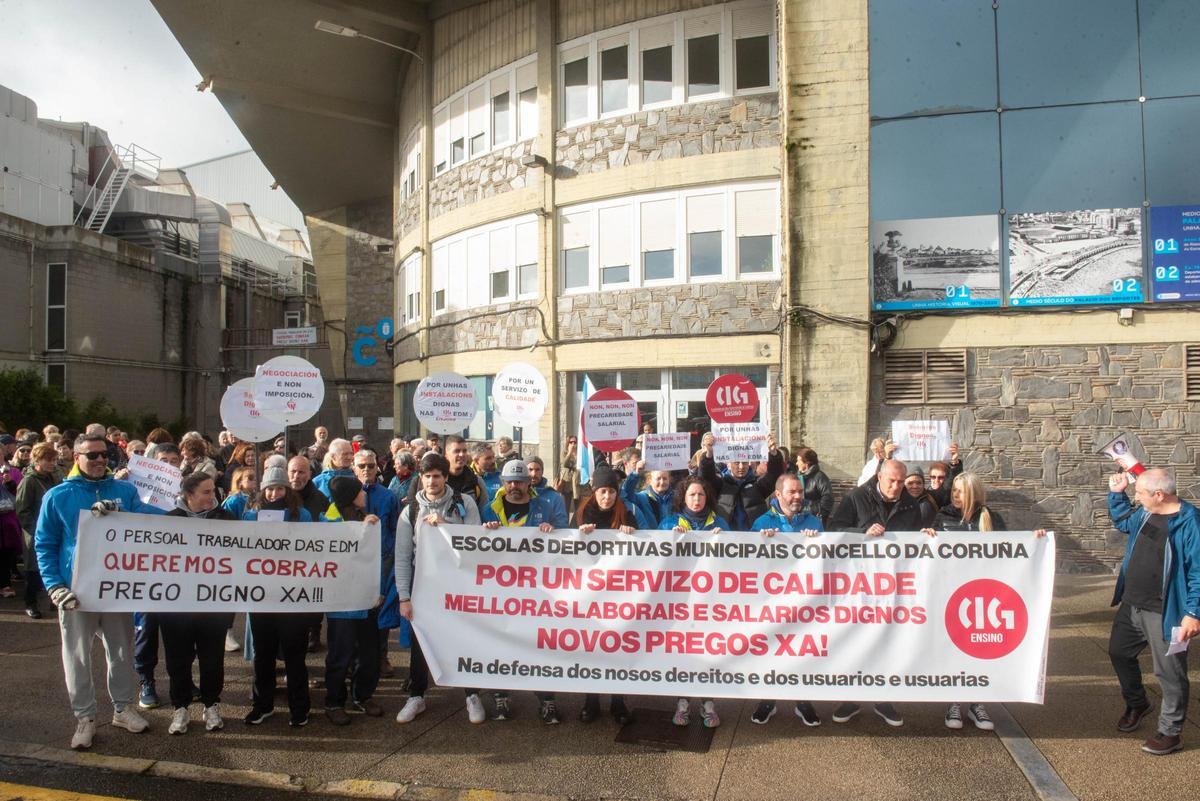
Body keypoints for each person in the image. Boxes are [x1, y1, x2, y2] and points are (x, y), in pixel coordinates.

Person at [35, 434, 165, 750]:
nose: (99, 460)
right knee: (77, 656)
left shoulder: (125, 491)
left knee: (121, 652)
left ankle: (123, 708)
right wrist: (54, 586)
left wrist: (187, 509)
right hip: (76, 590)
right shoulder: (57, 496)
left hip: (116, 587)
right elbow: (45, 544)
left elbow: (149, 522)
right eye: (92, 455)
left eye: (104, 454)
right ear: (76, 457)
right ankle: (85, 718)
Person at [922, 472, 1046, 731]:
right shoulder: (943, 517)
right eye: (954, 490)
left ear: (974, 493)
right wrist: (927, 535)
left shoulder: (991, 518)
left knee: (978, 650)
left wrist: (1035, 542)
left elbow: (1009, 550)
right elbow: (930, 550)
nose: (955, 495)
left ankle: (977, 703)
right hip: (949, 592)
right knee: (953, 648)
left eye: (961, 491)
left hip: (981, 594)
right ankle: (954, 701)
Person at [1105, 468, 1200, 756]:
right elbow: (1124, 522)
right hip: (1131, 604)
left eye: (1140, 493)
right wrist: (1117, 494)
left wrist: (1192, 613)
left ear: (1159, 494)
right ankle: (1138, 703)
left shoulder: (1190, 523)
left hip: (1165, 612)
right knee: (1119, 653)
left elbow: (1198, 572)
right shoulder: (1146, 513)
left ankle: (1171, 732)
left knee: (1169, 673)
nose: (1137, 498)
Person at [827, 458, 923, 728]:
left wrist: (926, 535)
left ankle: (883, 699)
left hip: (894, 586)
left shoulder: (911, 504)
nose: (897, 486)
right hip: (859, 584)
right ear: (879, 476)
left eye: (901, 482)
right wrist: (862, 533)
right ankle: (852, 698)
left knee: (887, 641)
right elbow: (834, 530)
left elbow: (917, 539)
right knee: (857, 640)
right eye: (892, 481)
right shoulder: (856, 497)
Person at [394, 453, 484, 725]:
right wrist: (404, 597)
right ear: (420, 478)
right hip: (424, 585)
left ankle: (471, 694)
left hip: (459, 582)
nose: (432, 481)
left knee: (464, 637)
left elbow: (475, 542)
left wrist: (447, 528)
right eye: (427, 476)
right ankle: (416, 695)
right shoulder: (410, 510)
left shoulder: (464, 503)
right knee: (421, 641)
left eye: (437, 476)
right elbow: (402, 557)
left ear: (446, 477)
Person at [481, 459, 560, 722]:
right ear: (503, 483)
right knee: (500, 643)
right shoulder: (489, 510)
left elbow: (567, 542)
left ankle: (547, 699)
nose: (515, 486)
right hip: (501, 589)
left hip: (538, 591)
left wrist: (554, 531)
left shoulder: (544, 506)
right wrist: (485, 531)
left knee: (540, 645)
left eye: (520, 481)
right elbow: (474, 546)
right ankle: (501, 696)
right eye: (510, 481)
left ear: (529, 483)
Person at [161, 472, 237, 735]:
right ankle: (180, 707)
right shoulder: (169, 521)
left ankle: (211, 704)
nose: (212, 496)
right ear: (189, 495)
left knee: (212, 659)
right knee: (177, 660)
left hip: (213, 606)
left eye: (213, 491)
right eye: (206, 492)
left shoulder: (226, 519)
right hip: (176, 608)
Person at [241, 467, 316, 727]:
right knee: (263, 654)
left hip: (292, 596)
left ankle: (300, 708)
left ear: (288, 490)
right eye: (270, 489)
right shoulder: (251, 516)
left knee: (295, 655)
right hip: (261, 596)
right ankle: (262, 705)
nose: (274, 494)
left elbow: (312, 547)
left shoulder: (302, 515)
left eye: (280, 488)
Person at [573, 464, 645, 725]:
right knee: (592, 648)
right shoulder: (580, 514)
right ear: (594, 491)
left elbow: (646, 548)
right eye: (602, 491)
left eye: (612, 492)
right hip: (590, 594)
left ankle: (618, 701)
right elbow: (565, 550)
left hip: (618, 594)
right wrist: (578, 536)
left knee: (617, 647)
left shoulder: (626, 513)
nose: (607, 497)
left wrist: (632, 534)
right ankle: (591, 701)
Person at [748, 474, 823, 726]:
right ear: (778, 494)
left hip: (804, 601)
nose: (798, 497)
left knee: (801, 651)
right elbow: (747, 563)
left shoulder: (814, 522)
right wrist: (761, 541)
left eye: (800, 492)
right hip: (772, 601)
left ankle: (802, 701)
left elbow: (826, 560)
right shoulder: (761, 522)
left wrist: (816, 540)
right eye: (792, 492)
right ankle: (768, 700)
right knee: (772, 651)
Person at [659, 476, 728, 728]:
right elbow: (655, 558)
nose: (696, 499)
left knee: (708, 650)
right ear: (683, 497)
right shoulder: (669, 523)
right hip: (680, 600)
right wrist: (669, 538)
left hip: (710, 600)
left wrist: (725, 539)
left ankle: (708, 703)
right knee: (685, 651)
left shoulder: (720, 523)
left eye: (700, 495)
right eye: (691, 495)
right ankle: (683, 703)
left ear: (707, 497)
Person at [320, 475, 385, 725]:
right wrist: (362, 532)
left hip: (366, 599)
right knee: (341, 654)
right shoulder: (329, 521)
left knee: (368, 654)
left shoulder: (363, 517)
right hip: (342, 603)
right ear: (349, 496)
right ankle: (334, 701)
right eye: (359, 491)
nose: (364, 494)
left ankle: (363, 695)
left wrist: (378, 589)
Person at [351, 449, 401, 680]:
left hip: (383, 559)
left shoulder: (388, 496)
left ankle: (381, 655)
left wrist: (391, 556)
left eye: (371, 466)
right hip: (355, 560)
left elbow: (395, 528)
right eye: (362, 466)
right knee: (357, 610)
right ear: (354, 468)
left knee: (381, 609)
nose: (366, 470)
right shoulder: (348, 494)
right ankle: (356, 657)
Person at [286, 454, 330, 652]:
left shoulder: (320, 499)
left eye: (301, 472)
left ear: (310, 474)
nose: (296, 476)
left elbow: (330, 527)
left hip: (312, 561)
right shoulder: (279, 495)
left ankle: (314, 630)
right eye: (293, 471)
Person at [697, 432, 784, 532]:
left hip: (754, 536)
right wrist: (708, 455)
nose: (741, 466)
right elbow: (706, 478)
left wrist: (774, 454)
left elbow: (775, 475)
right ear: (728, 464)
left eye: (745, 462)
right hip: (725, 536)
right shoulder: (721, 484)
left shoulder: (757, 484)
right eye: (736, 462)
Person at [15, 442, 60, 617]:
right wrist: (37, 531)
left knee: (52, 566)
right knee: (33, 570)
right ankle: (31, 603)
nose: (52, 463)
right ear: (37, 460)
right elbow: (22, 510)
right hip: (35, 533)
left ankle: (53, 600)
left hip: (53, 530)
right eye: (48, 460)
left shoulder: (54, 478)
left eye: (54, 460)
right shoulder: (29, 481)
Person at [406, 435, 487, 509]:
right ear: (446, 454)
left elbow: (482, 511)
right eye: (457, 451)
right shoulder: (421, 481)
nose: (461, 454)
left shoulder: (476, 481)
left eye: (464, 451)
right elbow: (412, 511)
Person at [619, 458, 674, 529]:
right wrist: (636, 473)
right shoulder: (642, 498)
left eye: (665, 478)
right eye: (658, 479)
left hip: (671, 535)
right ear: (650, 480)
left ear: (669, 479)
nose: (662, 482)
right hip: (649, 535)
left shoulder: (676, 498)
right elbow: (625, 495)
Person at [794, 447, 835, 527]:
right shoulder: (796, 477)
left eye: (798, 461)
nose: (796, 463)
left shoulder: (820, 477)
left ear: (807, 463)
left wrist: (810, 510)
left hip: (814, 520)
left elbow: (828, 499)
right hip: (798, 519)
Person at [526, 456, 569, 527]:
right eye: (530, 470)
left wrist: (552, 527)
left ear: (542, 472)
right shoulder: (518, 496)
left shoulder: (555, 497)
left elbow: (562, 525)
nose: (534, 474)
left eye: (537, 470)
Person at [555, 437, 580, 515]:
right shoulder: (564, 453)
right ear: (567, 443)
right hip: (566, 483)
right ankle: (565, 522)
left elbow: (580, 466)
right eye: (571, 442)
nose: (573, 444)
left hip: (576, 483)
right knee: (566, 507)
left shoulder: (579, 453)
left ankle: (577, 521)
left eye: (575, 442)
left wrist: (575, 454)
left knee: (578, 507)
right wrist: (569, 452)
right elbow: (564, 464)